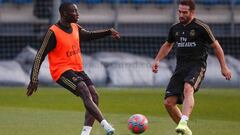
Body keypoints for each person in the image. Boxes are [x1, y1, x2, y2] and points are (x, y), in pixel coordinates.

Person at [26, 2, 120, 135]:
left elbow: (89, 35)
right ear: (64, 14)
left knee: (95, 96)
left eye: (77, 11)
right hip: (61, 71)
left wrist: (108, 32)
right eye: (74, 12)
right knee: (83, 90)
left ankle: (85, 133)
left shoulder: (75, 27)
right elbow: (40, 55)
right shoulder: (53, 32)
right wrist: (34, 78)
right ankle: (107, 126)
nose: (78, 14)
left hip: (77, 69)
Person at [151, 0, 232, 135]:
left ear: (192, 13)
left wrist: (224, 67)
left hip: (197, 65)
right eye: (179, 12)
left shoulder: (201, 27)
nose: (181, 15)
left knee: (188, 88)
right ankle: (186, 131)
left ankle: (183, 122)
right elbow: (168, 45)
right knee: (168, 103)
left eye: (184, 12)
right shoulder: (175, 28)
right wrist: (157, 60)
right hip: (180, 67)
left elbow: (216, 47)